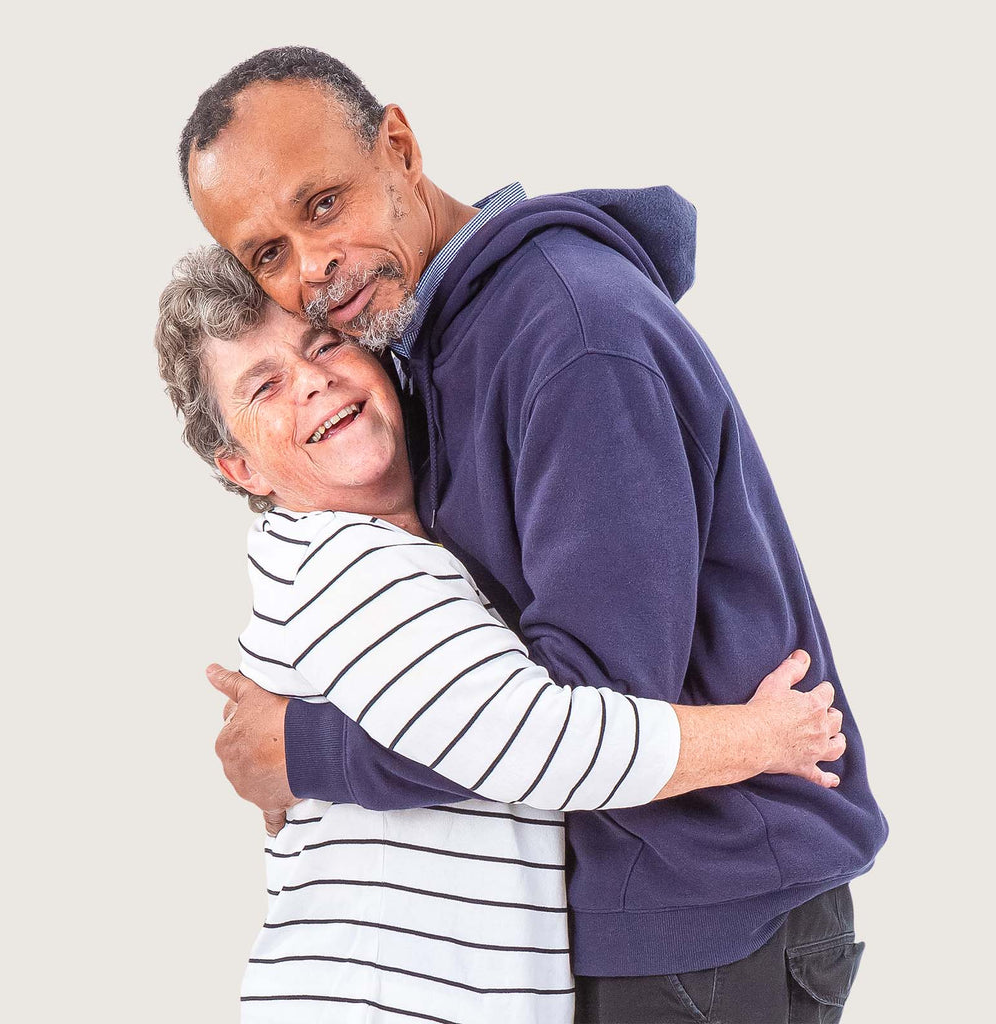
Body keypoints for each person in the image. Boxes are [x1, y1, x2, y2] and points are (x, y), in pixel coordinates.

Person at [179, 47, 888, 1022]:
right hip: (625, 910)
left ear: (399, 145)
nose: (309, 270)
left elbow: (576, 708)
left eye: (323, 205)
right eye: (267, 253)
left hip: (703, 918)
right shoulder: (419, 352)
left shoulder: (569, 334)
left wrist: (308, 751)